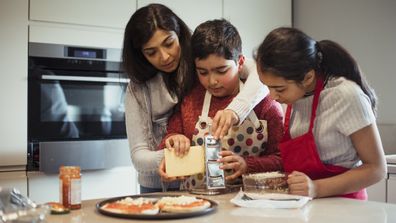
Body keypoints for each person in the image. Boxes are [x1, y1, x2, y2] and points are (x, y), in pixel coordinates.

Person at [123, 4, 268, 193]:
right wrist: (178, 155)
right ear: (140, 54)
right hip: (157, 184)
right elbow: (138, 156)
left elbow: (260, 74)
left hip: (203, 185)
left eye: (169, 43)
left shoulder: (202, 60)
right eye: (151, 52)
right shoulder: (137, 89)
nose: (165, 56)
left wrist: (234, 111)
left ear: (179, 34)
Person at [255, 27, 387, 200]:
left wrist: (316, 188)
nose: (272, 96)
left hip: (346, 207)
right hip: (305, 205)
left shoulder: (345, 95)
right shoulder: (293, 96)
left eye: (279, 88)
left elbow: (376, 169)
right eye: (267, 87)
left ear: (308, 77)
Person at [157, 19, 283, 190]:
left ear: (240, 63)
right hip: (195, 201)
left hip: (247, 204)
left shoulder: (265, 104)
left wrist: (247, 165)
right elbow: (170, 136)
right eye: (203, 72)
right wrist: (173, 142)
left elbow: (281, 159)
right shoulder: (191, 99)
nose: (212, 81)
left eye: (221, 70)